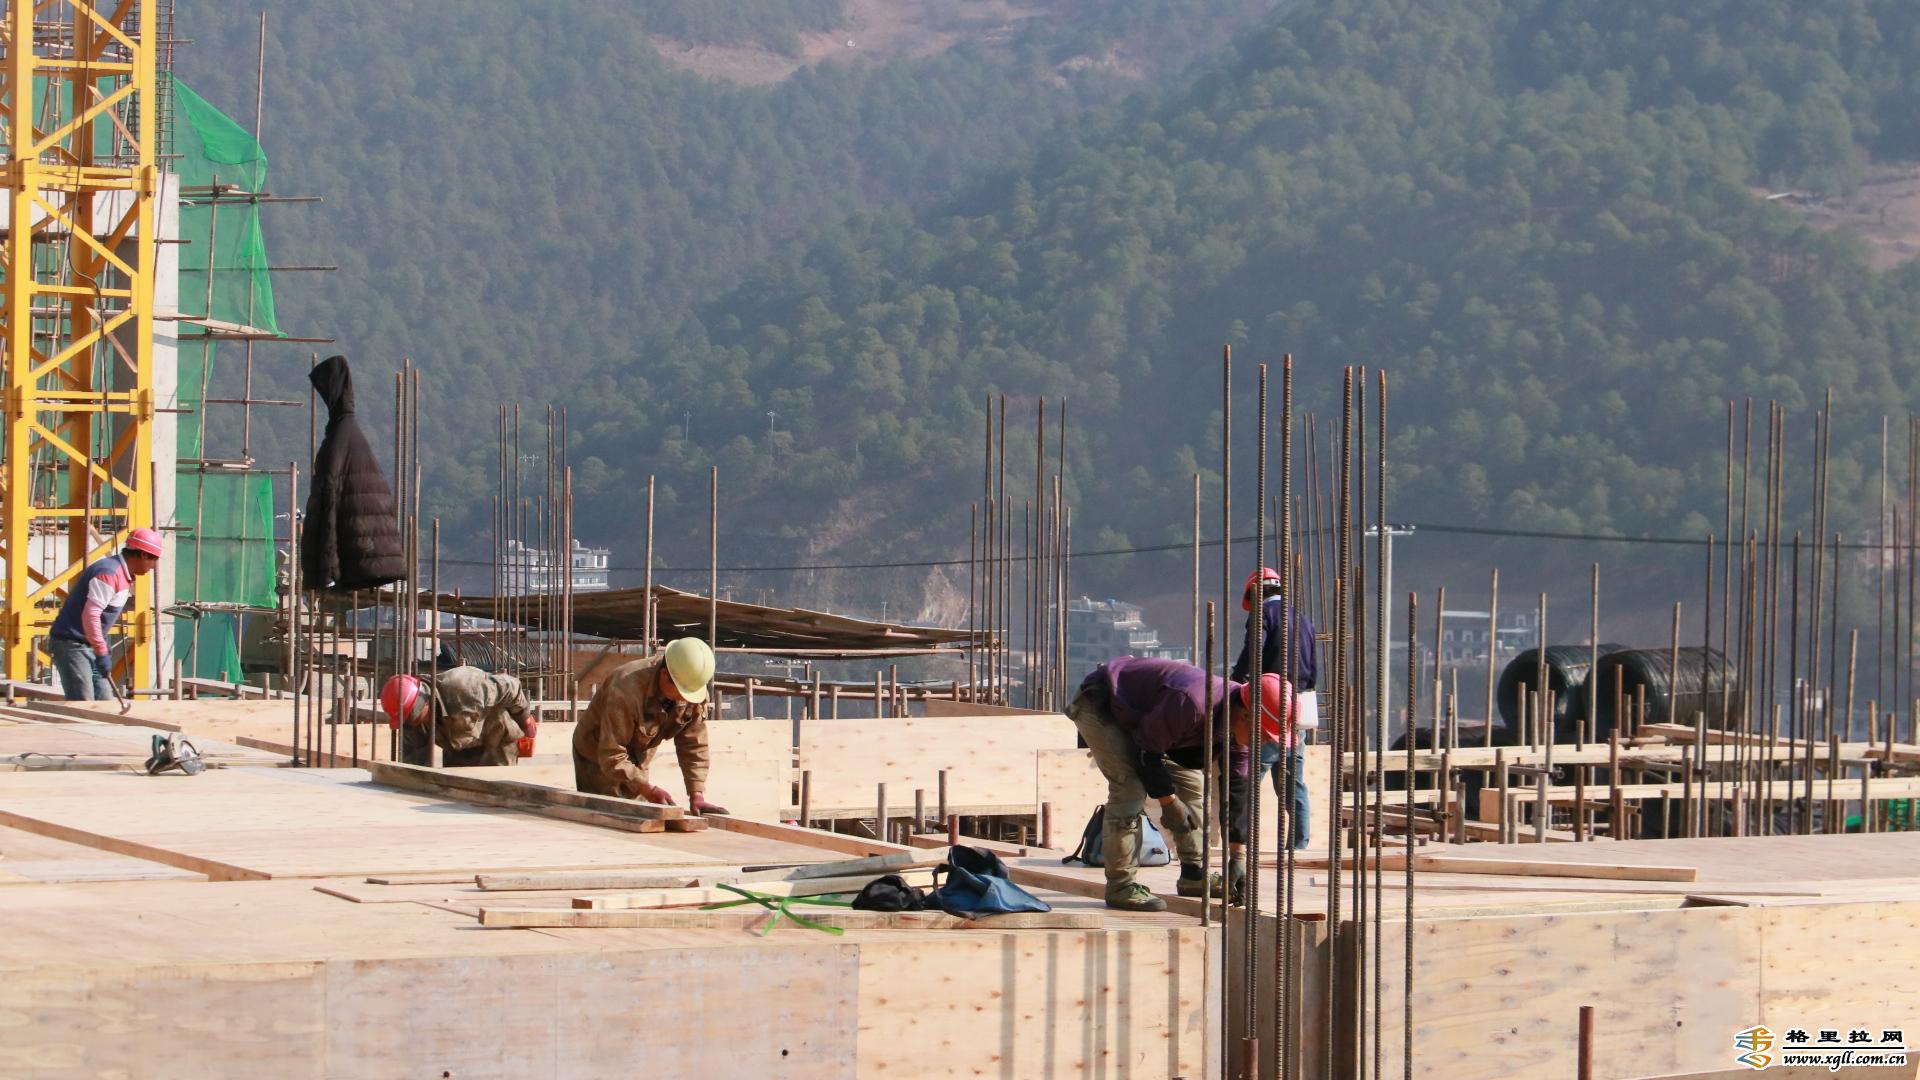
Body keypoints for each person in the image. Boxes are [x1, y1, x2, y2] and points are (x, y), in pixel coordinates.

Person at [1067, 656, 1285, 912]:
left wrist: (1238, 855)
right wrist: (1169, 802)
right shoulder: (1192, 702)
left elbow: (1236, 789)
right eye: (1264, 734)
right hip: (1102, 703)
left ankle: (1194, 874)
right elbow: (1146, 754)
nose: (1264, 742)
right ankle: (1120, 886)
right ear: (1246, 715)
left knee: (1193, 785)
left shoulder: (1236, 723)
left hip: (1150, 721)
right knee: (1130, 788)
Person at [572, 637, 730, 814]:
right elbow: (611, 754)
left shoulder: (691, 688)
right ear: (664, 675)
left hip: (639, 753)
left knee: (641, 810)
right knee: (610, 814)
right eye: (681, 692)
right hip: (597, 753)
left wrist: (696, 794)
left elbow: (693, 744)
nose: (685, 699)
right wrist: (647, 789)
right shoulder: (625, 690)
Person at [1233, 567, 1317, 851]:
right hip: (1298, 705)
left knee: (1249, 778)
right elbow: (1313, 667)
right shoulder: (1302, 618)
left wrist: (1234, 683)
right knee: (1293, 782)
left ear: (1254, 593)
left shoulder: (1262, 614)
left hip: (1269, 702)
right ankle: (1299, 846)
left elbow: (1252, 654)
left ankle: (1240, 843)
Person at [47, 528, 163, 701]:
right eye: (154, 560)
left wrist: (101, 647)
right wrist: (101, 649)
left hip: (90, 645)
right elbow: (91, 615)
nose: (154, 566)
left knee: (105, 703)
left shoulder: (121, 575)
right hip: (72, 644)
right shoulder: (108, 574)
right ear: (143, 555)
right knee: (84, 705)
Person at [381, 667, 533, 766]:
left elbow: (510, 686)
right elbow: (414, 765)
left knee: (497, 792)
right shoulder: (411, 721)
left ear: (423, 702)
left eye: (412, 717)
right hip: (459, 746)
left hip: (496, 740)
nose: (412, 723)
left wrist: (524, 718)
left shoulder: (465, 688)